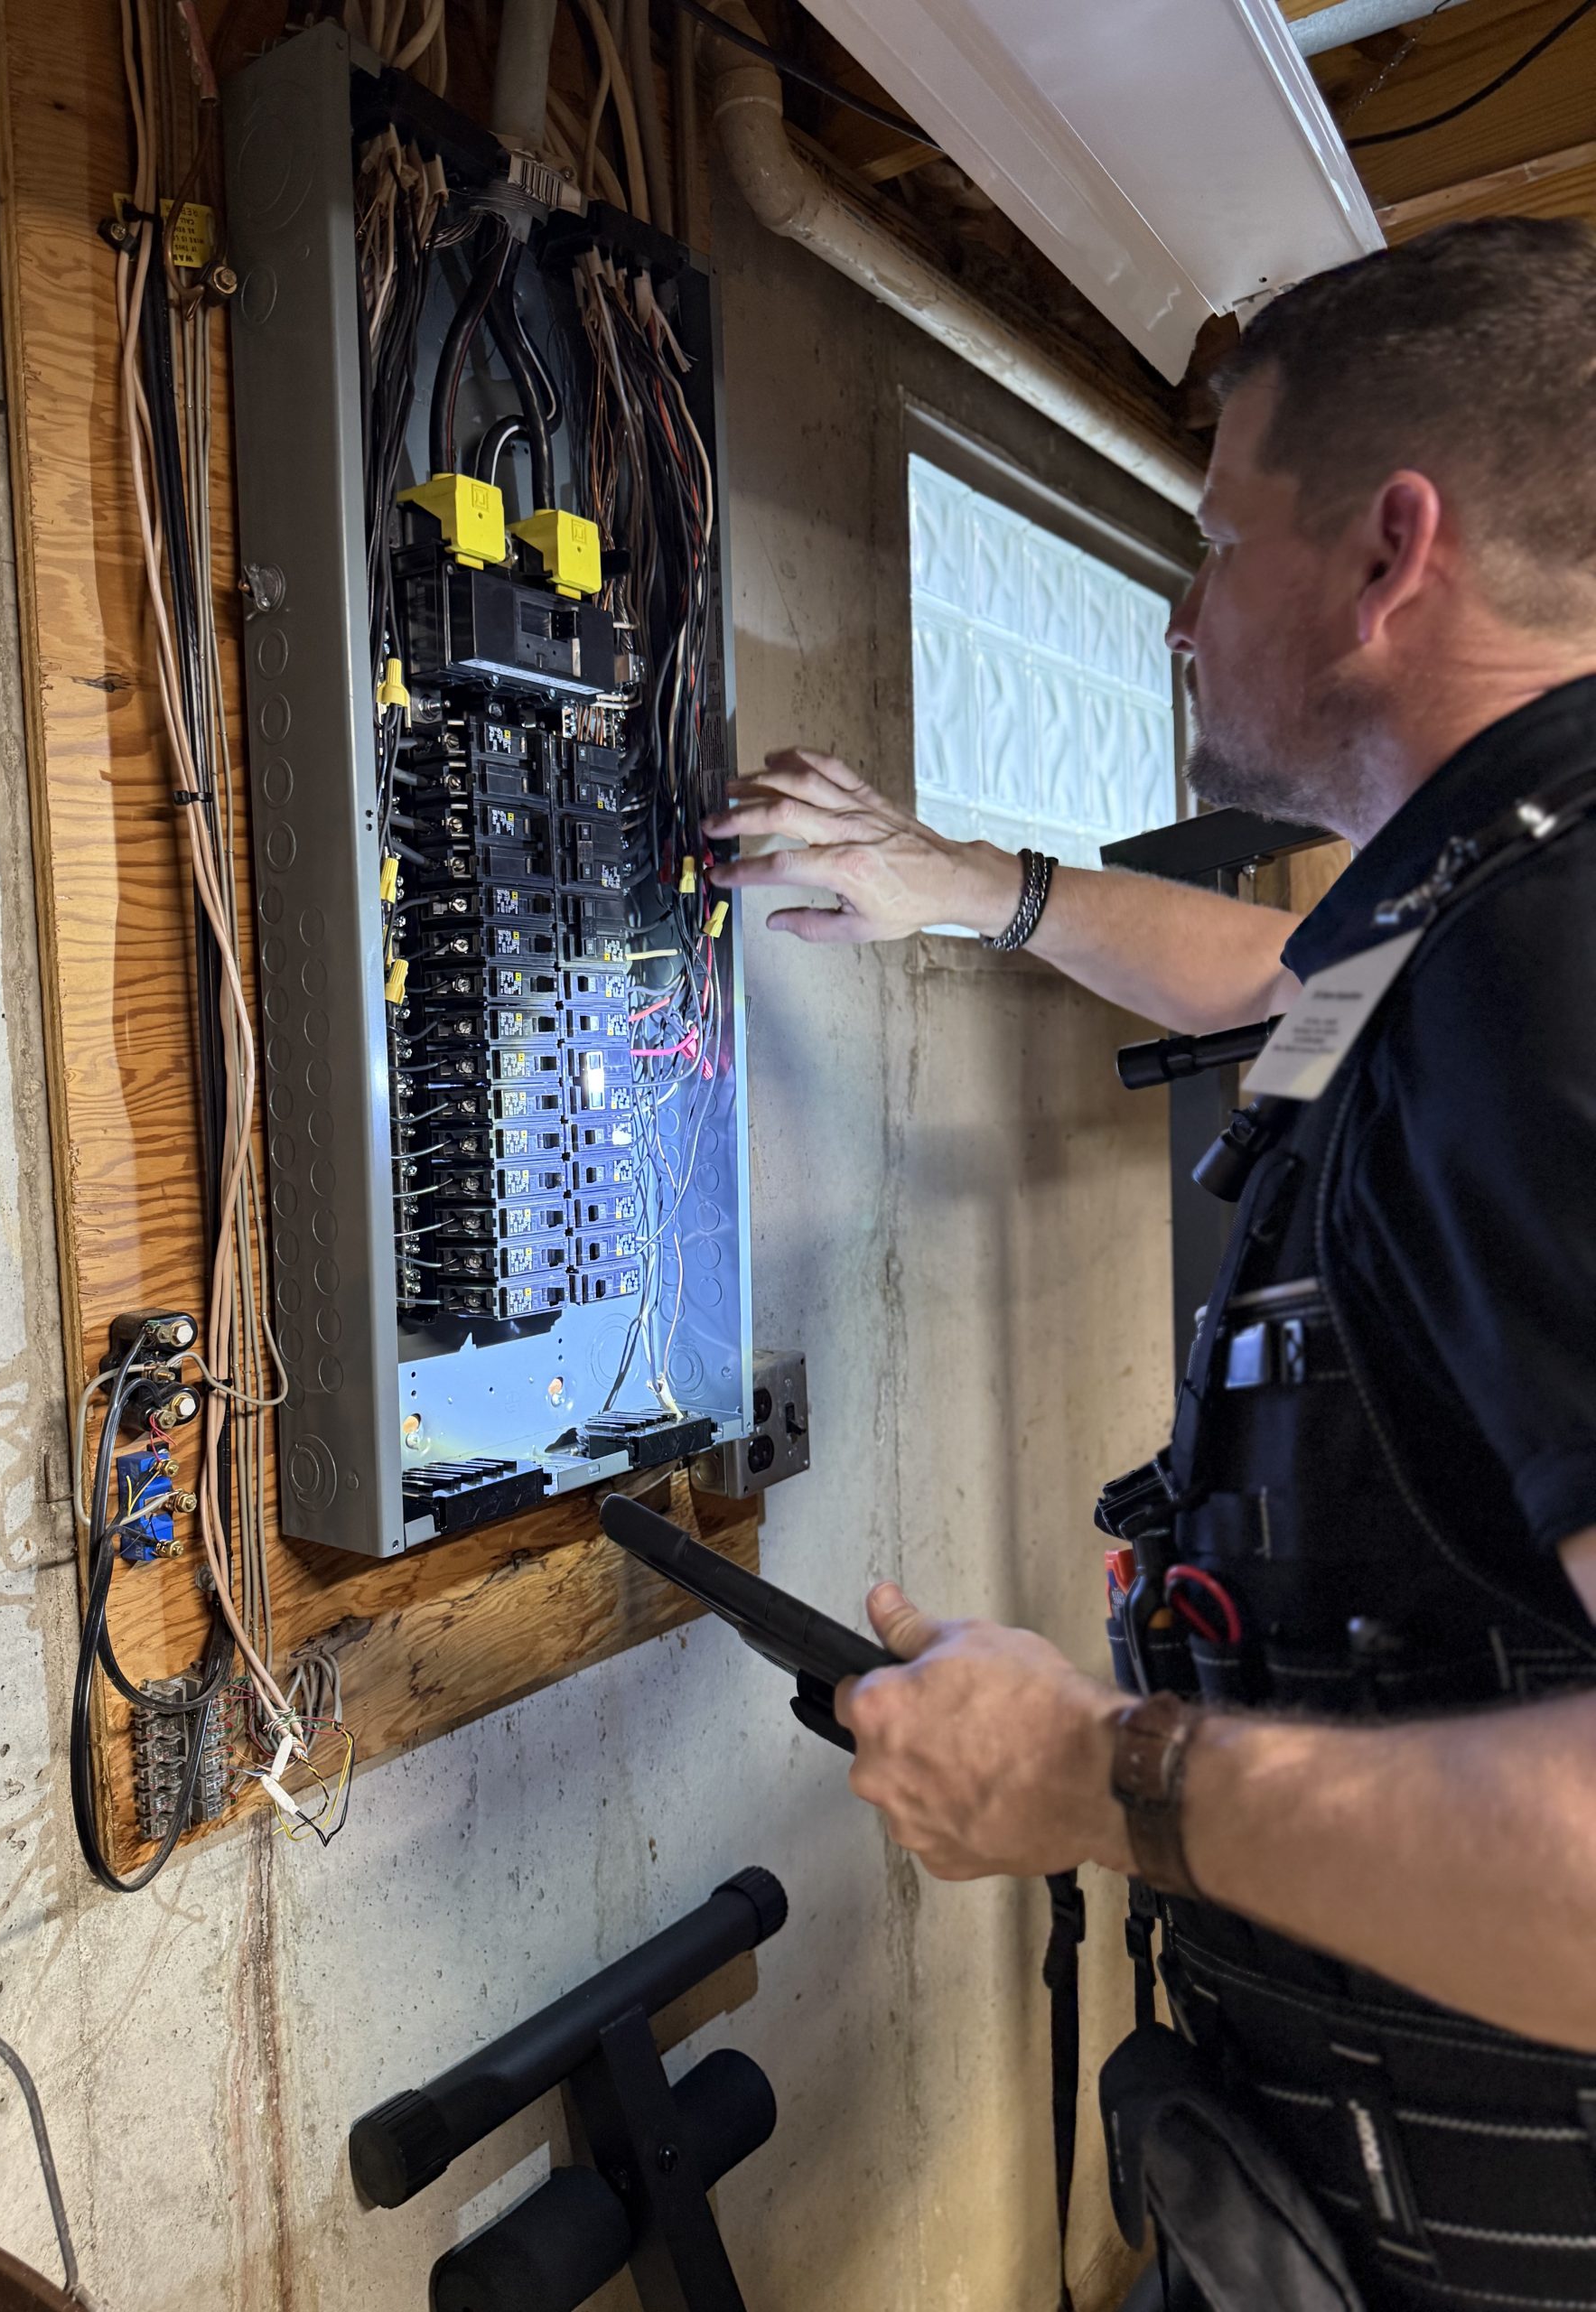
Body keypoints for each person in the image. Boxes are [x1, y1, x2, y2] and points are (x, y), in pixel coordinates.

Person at [705, 217, 1596, 2312]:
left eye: (1215, 541)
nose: (1183, 618)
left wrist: (1096, 1778)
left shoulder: (1547, 970)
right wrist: (967, 882)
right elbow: (1295, 976)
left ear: (1390, 556)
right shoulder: (1485, 906)